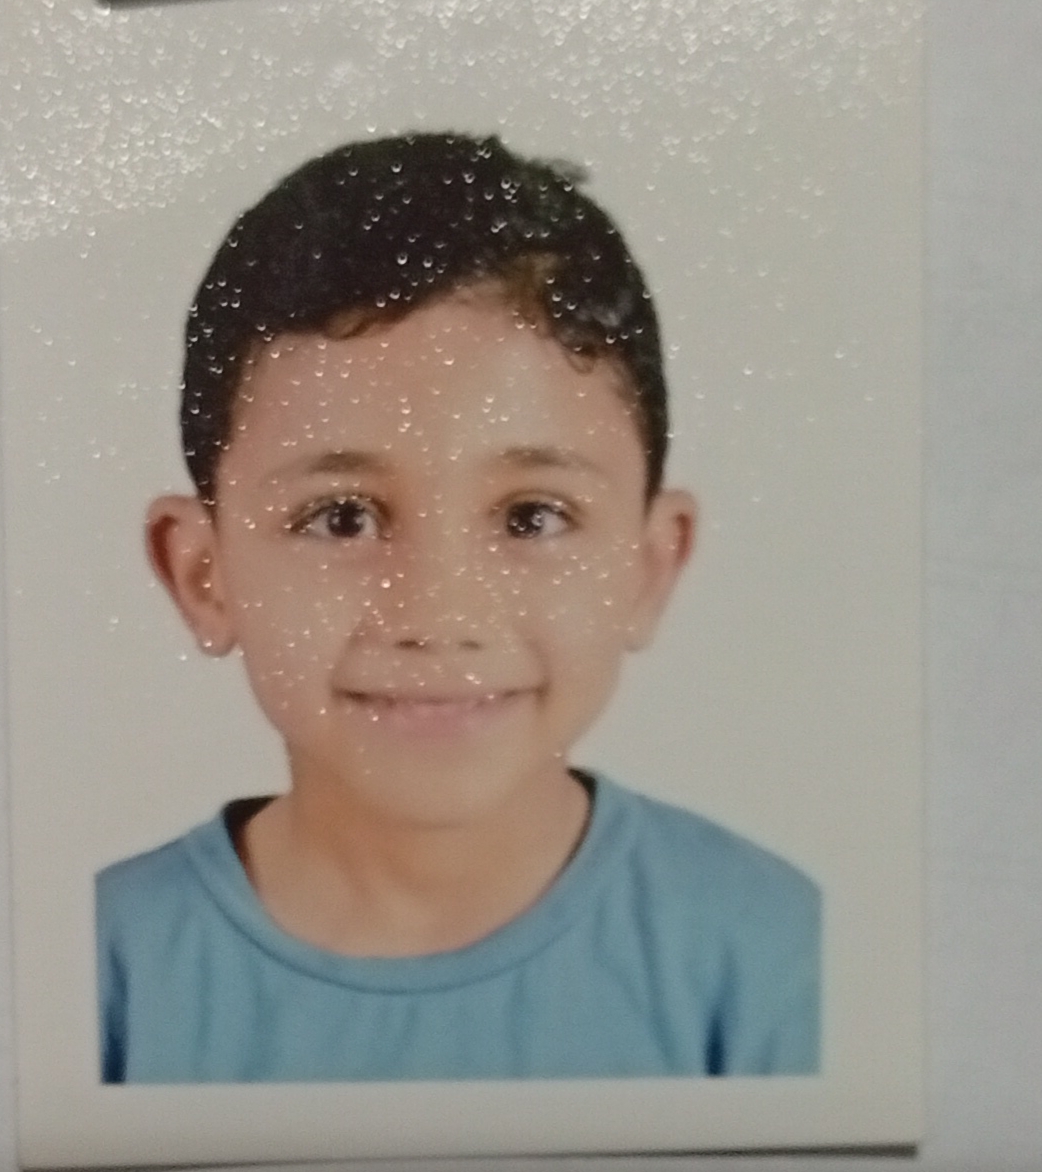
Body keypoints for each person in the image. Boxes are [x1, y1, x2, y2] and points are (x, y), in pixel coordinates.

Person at [96, 131, 820, 1084]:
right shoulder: (96, 975)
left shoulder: (775, 959)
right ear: (202, 574)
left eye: (532, 516)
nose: (438, 612)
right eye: (342, 517)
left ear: (649, 567)